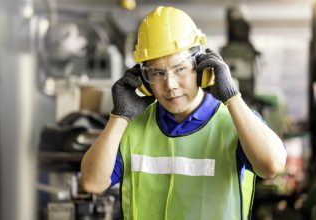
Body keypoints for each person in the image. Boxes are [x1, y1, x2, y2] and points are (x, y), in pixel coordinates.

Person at [80, 6, 287, 220]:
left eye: (180, 69)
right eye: (157, 73)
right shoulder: (131, 128)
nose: (170, 85)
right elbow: (91, 183)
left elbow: (271, 166)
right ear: (143, 78)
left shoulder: (236, 122)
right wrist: (118, 118)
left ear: (201, 67)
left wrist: (232, 98)